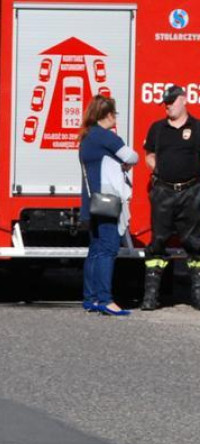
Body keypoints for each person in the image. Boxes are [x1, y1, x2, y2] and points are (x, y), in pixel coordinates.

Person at [140, 84, 200, 311]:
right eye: (165, 103)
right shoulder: (157, 128)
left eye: (172, 101)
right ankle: (151, 296)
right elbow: (149, 155)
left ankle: (197, 295)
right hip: (163, 192)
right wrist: (158, 170)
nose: (167, 106)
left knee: (194, 243)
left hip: (191, 192)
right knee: (158, 242)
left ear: (184, 100)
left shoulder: (197, 127)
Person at [78, 95, 138, 316]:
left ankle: (91, 298)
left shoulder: (87, 137)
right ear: (108, 115)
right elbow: (133, 156)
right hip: (108, 203)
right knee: (108, 249)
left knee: (95, 250)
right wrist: (124, 164)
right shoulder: (105, 137)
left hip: (92, 202)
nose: (116, 119)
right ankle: (106, 300)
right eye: (115, 114)